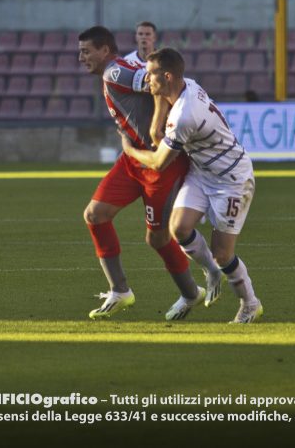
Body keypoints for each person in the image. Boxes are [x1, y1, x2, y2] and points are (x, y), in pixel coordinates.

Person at [120, 48, 262, 324]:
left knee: (223, 253)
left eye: (151, 75)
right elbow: (161, 99)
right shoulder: (187, 85)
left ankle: (250, 304)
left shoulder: (185, 116)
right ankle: (211, 270)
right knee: (180, 228)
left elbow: (159, 162)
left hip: (232, 179)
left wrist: (130, 151)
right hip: (202, 171)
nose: (147, 81)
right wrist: (154, 128)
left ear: (168, 76)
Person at [78, 26, 204, 321]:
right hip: (132, 160)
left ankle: (191, 293)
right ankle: (120, 291)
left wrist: (155, 127)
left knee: (157, 239)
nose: (81, 57)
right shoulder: (116, 71)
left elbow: (158, 83)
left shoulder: (115, 72)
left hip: (159, 165)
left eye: (86, 51)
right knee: (95, 215)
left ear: (104, 51)